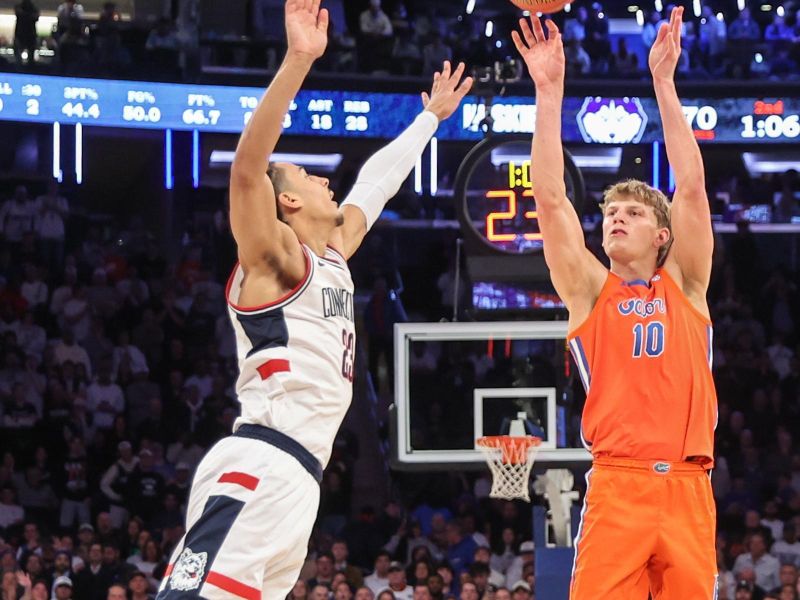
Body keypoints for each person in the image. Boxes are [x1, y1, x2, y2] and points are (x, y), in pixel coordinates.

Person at [156, 2, 471, 599]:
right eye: (308, 175)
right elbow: (248, 173)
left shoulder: (332, 256)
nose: (328, 180)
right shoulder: (275, 259)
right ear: (289, 205)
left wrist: (428, 118)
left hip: (301, 478)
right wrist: (299, 60)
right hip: (259, 462)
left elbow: (375, 186)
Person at [512, 6, 716, 598]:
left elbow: (693, 187)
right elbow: (551, 202)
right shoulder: (587, 289)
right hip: (617, 485)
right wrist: (549, 93)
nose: (616, 218)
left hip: (687, 487)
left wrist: (664, 84)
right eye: (610, 213)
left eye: (633, 213)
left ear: (662, 235)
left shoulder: (685, 282)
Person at [14, 0, 39, 66]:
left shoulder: (32, 8)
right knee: (19, 56)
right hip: (23, 34)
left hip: (27, 34)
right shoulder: (32, 9)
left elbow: (35, 17)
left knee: (28, 56)